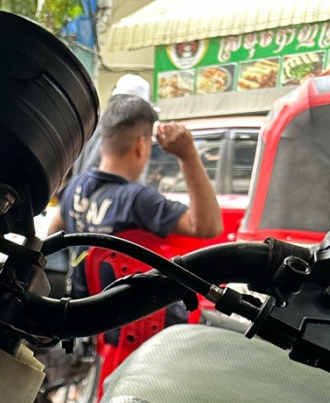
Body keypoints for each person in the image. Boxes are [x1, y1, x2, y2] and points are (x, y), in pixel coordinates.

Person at [47, 94, 223, 299]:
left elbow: (53, 230)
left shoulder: (76, 184)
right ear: (141, 144)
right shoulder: (136, 200)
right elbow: (208, 227)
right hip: (124, 315)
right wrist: (188, 154)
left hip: (81, 309)